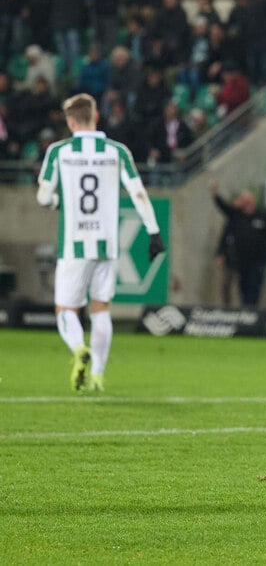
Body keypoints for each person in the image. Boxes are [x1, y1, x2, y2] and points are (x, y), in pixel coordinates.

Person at [36, 93, 166, 392]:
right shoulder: (117, 151)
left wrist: (59, 202)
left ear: (70, 122)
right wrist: (153, 232)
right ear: (95, 117)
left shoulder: (59, 151)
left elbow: (43, 196)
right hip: (106, 244)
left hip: (74, 243)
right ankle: (97, 376)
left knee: (66, 310)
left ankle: (78, 347)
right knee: (101, 308)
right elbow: (138, 192)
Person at [209, 181, 266, 307]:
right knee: (242, 288)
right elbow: (224, 208)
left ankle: (252, 312)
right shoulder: (237, 216)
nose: (248, 204)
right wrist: (215, 194)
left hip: (258, 261)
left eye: (250, 201)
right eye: (245, 201)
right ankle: (245, 311)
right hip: (241, 260)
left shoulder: (263, 216)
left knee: (254, 288)